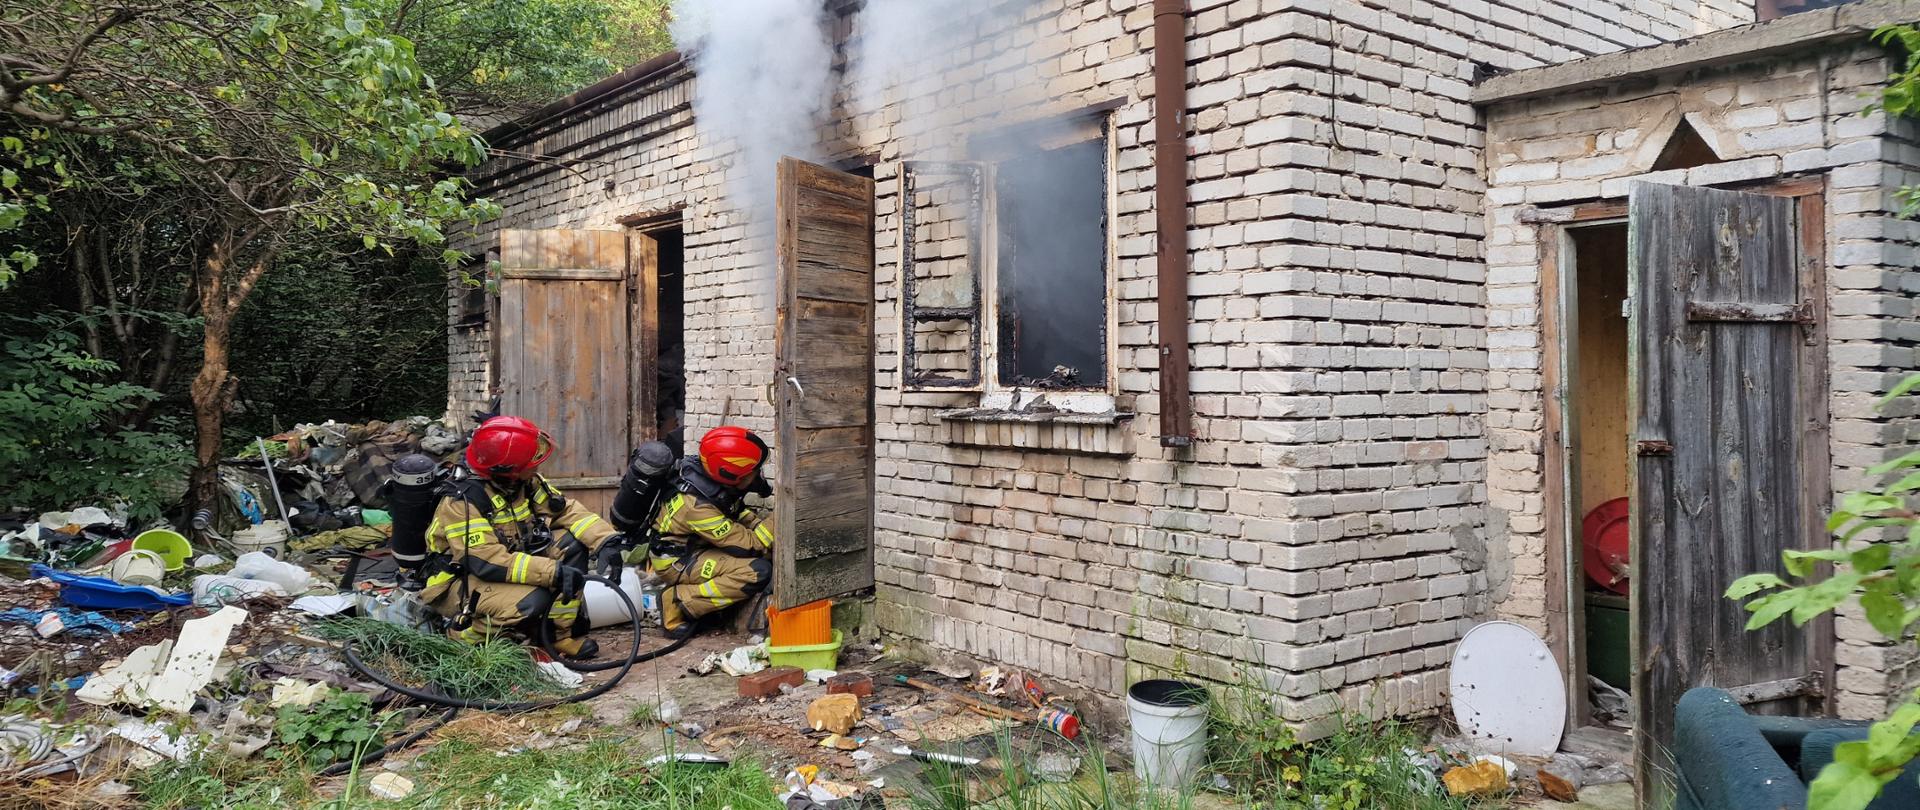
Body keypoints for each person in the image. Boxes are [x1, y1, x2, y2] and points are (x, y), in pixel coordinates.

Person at [419, 416, 626, 659]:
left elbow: (565, 511)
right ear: (507, 470)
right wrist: (552, 571)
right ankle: (464, 641)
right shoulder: (461, 502)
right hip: (459, 580)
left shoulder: (522, 482)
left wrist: (605, 542)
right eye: (532, 459)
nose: (537, 464)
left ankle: (556, 636)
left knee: (573, 545)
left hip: (505, 561)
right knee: (532, 600)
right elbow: (485, 561)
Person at [644, 425, 775, 637]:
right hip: (678, 563)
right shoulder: (698, 507)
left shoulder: (711, 482)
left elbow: (739, 514)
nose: (759, 475)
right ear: (734, 475)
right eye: (754, 472)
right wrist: (782, 515)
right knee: (757, 571)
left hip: (698, 547)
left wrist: (760, 526)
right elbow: (752, 544)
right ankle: (678, 600)